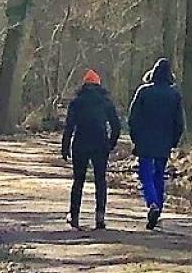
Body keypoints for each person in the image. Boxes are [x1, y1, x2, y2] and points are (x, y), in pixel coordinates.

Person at [59, 68, 122, 230]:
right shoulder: (106, 102)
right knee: (100, 181)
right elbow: (116, 126)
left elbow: (69, 127)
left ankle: (74, 216)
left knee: (78, 181)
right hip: (100, 143)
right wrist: (110, 144)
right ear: (98, 84)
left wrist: (65, 147)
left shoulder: (77, 102)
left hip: (80, 143)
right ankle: (100, 217)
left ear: (84, 84)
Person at [125, 58, 183, 230]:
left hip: (145, 142)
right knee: (159, 175)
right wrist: (173, 141)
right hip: (164, 143)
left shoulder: (143, 92)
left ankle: (152, 204)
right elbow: (179, 123)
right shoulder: (174, 95)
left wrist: (135, 138)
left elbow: (133, 118)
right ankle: (157, 206)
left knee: (145, 175)